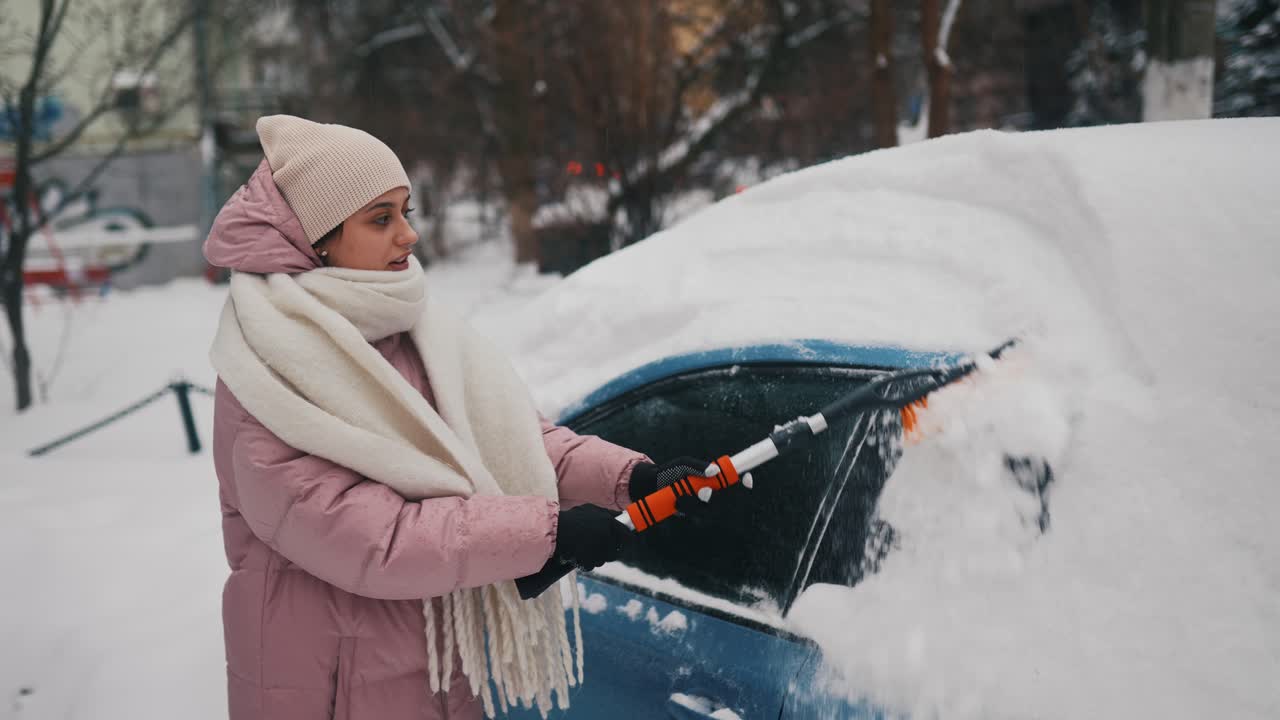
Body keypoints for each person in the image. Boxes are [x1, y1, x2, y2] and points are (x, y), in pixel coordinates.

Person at [206, 115, 707, 720]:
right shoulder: (267, 363)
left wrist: (632, 478)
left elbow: (510, 440)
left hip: (435, 666)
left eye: (405, 211)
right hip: (327, 684)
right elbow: (370, 538)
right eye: (381, 218)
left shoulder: (408, 325)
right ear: (317, 239)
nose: (409, 236)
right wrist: (547, 533)